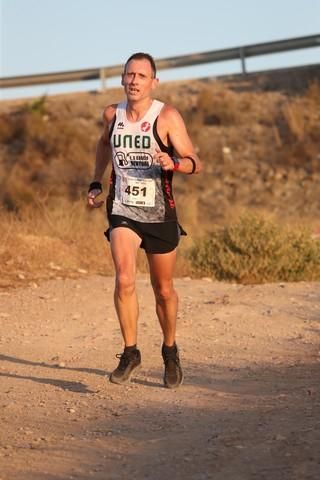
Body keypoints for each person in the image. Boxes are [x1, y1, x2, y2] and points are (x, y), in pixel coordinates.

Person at [87, 52, 202, 389]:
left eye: (141, 75)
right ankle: (130, 351)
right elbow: (103, 145)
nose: (134, 81)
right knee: (124, 279)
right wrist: (96, 180)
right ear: (123, 79)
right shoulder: (113, 114)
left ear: (154, 82)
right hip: (123, 209)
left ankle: (170, 350)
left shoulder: (166, 116)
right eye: (129, 75)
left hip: (159, 213)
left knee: (163, 290)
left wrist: (175, 163)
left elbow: (196, 161)